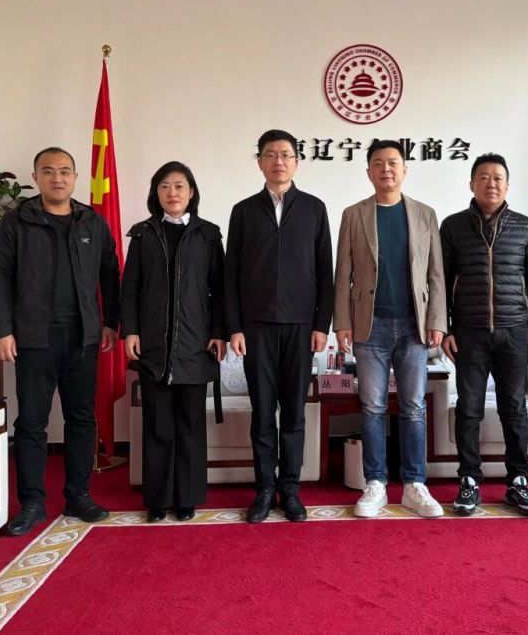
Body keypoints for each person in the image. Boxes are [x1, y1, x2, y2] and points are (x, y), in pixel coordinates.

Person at [0, 147, 120, 536]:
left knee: (81, 418)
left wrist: (111, 322)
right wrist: (1, 330)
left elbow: (110, 273)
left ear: (76, 177)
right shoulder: (16, 222)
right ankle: (32, 502)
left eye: (65, 171)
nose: (57, 178)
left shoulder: (91, 222)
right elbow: (0, 276)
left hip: (82, 337)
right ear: (36, 177)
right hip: (34, 338)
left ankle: (78, 495)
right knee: (32, 421)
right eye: (48, 171)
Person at [225, 129, 334, 523]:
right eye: (271, 154)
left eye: (286, 155)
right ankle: (264, 489)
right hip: (256, 328)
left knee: (294, 413)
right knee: (262, 412)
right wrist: (234, 326)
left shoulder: (314, 208)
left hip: (301, 327)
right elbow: (231, 274)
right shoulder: (243, 211)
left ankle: (290, 488)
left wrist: (322, 324)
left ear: (297, 162)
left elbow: (325, 271)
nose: (279, 161)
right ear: (260, 162)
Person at [334, 140, 447, 519]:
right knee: (372, 407)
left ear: (404, 170)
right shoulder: (354, 215)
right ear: (368, 171)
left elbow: (436, 274)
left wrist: (437, 321)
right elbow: (342, 274)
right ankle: (376, 483)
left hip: (414, 326)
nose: (386, 169)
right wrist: (342, 322)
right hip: (370, 326)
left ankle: (415, 484)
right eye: (379, 163)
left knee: (414, 406)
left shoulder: (424, 214)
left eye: (393, 163)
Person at [440, 153, 528, 517]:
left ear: (507, 185)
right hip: (468, 333)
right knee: (469, 408)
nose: (491, 183)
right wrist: (447, 329)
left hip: (514, 331)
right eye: (484, 177)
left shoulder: (523, 226)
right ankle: (469, 480)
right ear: (471, 184)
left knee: (513, 409)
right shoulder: (453, 226)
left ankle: (518, 481)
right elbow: (440, 281)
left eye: (498, 177)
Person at [121, 162, 226, 523]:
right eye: (165, 186)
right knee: (158, 425)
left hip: (196, 345)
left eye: (180, 186)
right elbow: (130, 288)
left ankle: (187, 498)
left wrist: (218, 332)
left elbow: (220, 289)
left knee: (190, 425)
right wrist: (131, 330)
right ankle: (157, 499)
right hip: (153, 346)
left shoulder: (208, 234)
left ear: (191, 192)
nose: (173, 193)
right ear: (156, 193)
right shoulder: (144, 234)